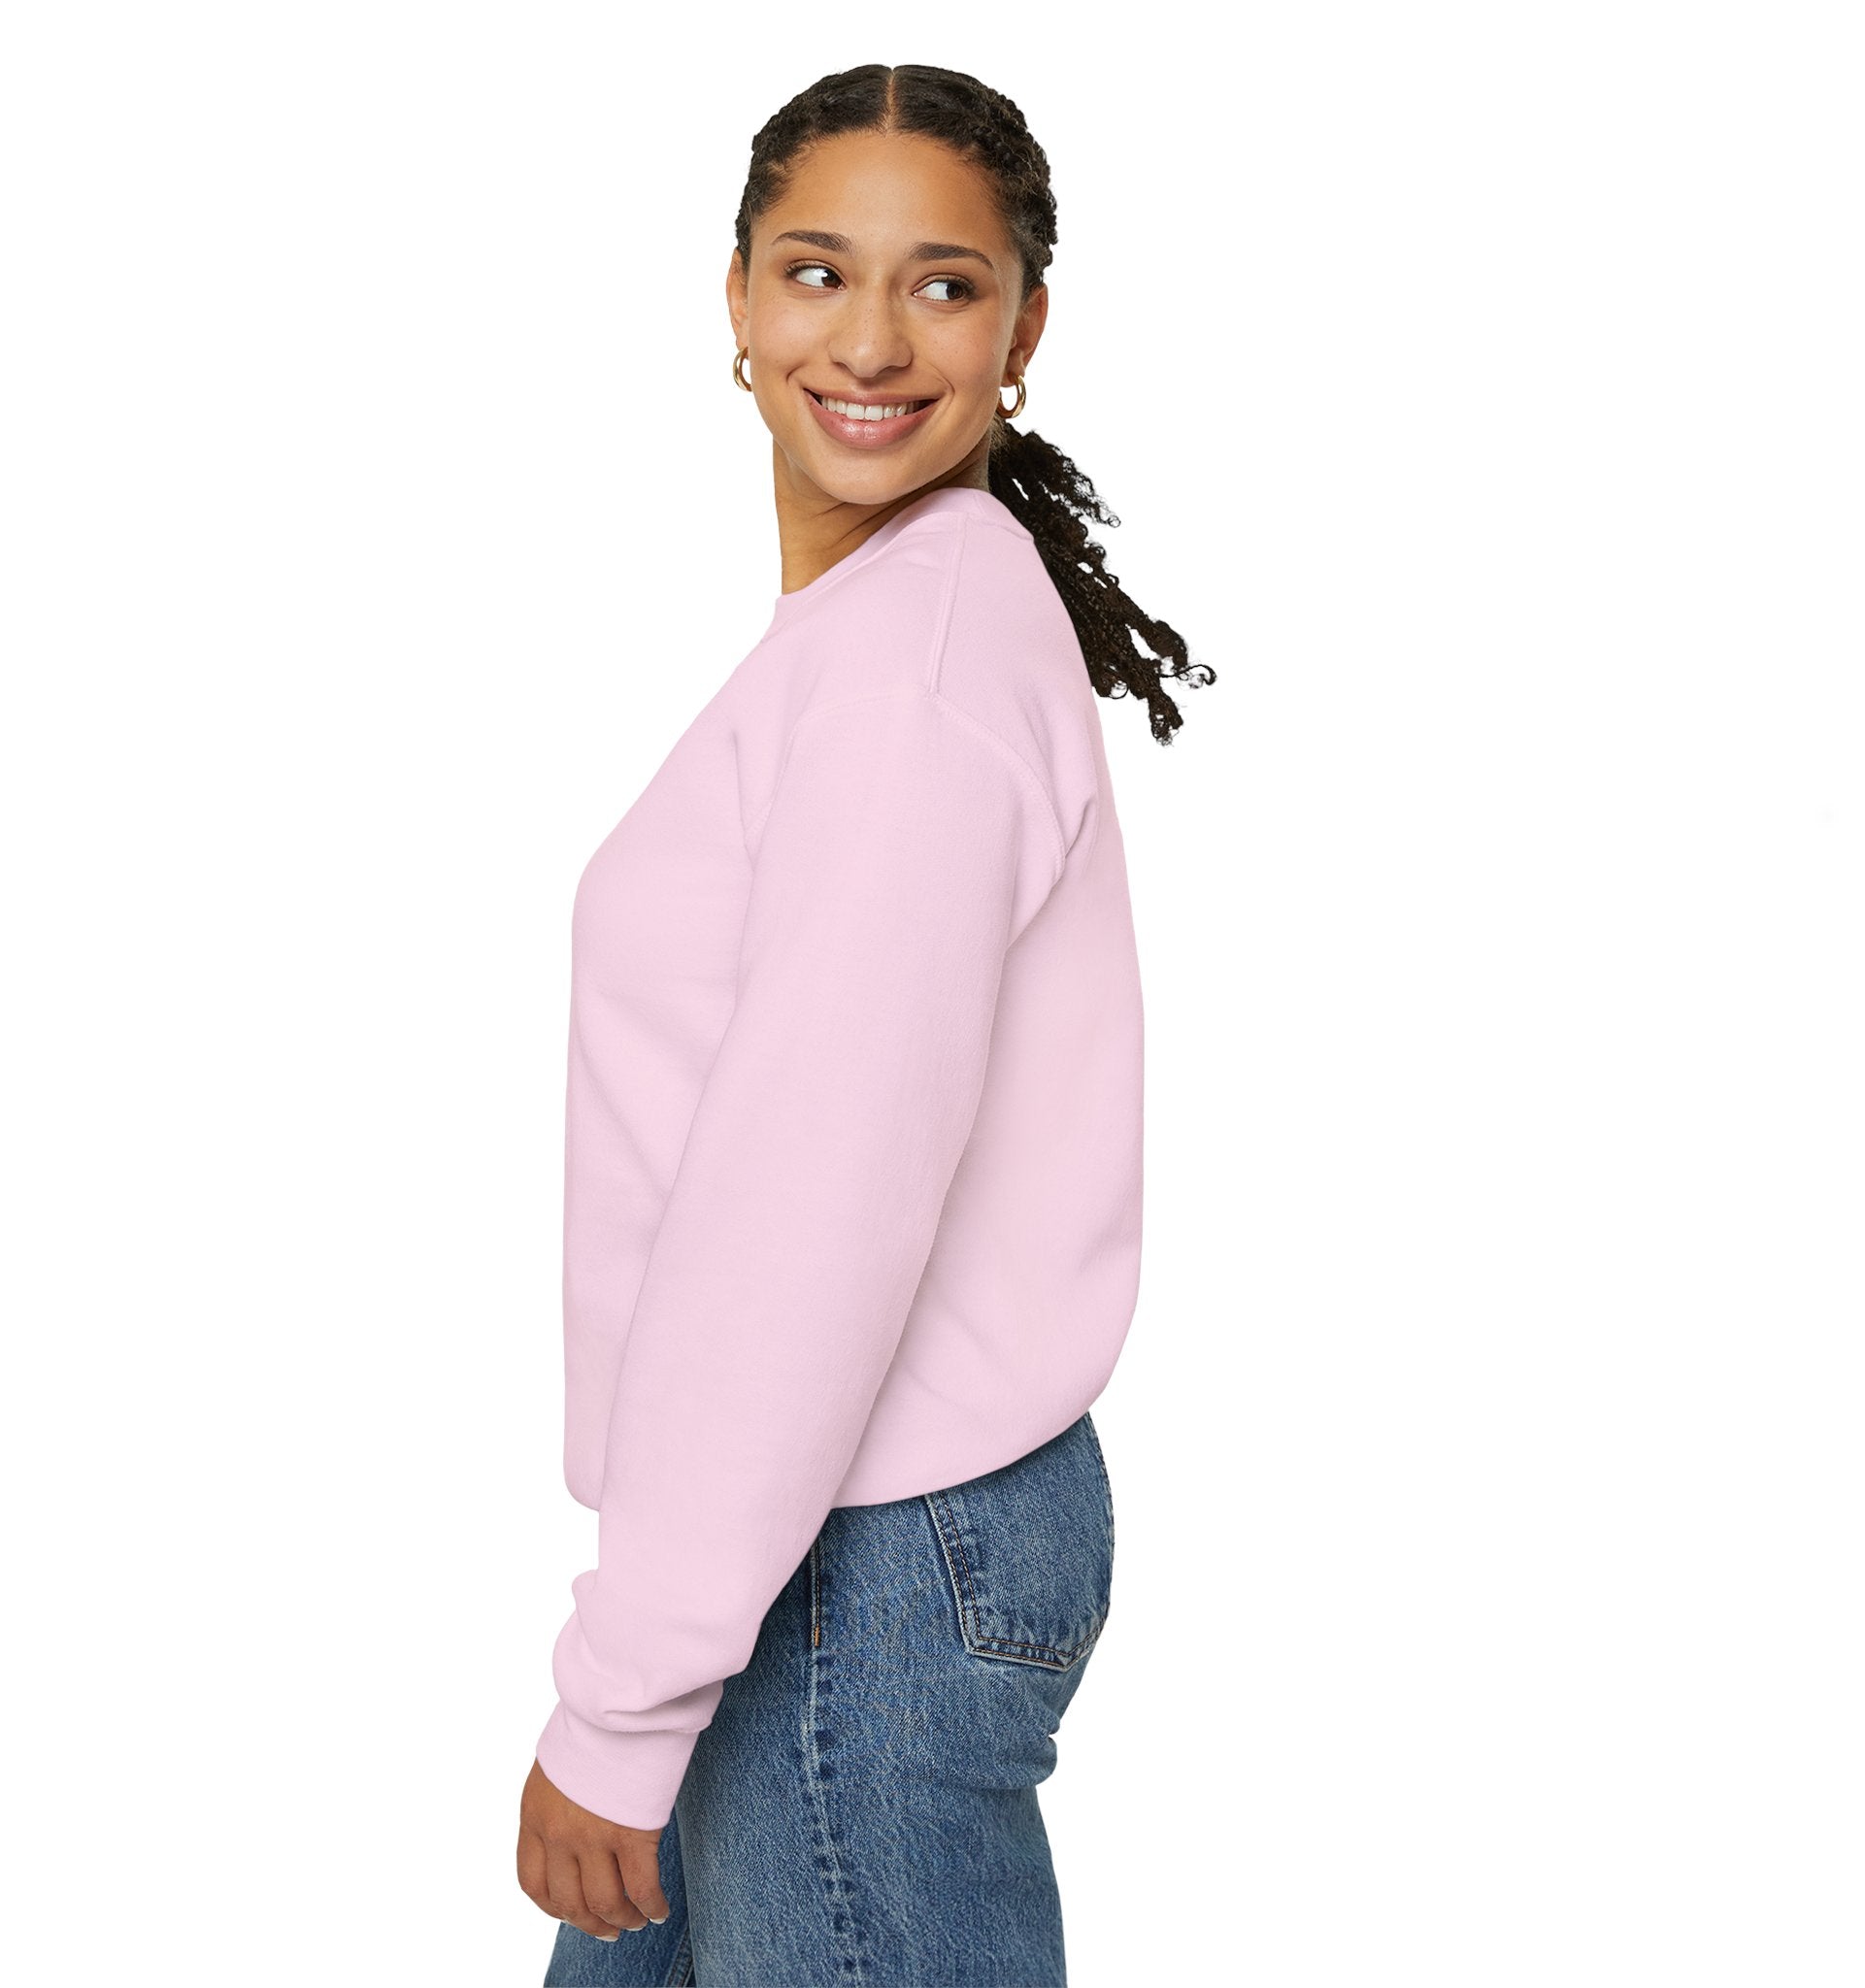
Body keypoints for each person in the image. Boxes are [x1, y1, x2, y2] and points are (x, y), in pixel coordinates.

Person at [516, 62, 1209, 1988]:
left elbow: (805, 1210)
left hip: (858, 1565)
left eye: (945, 284)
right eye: (820, 271)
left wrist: (625, 1695)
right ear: (736, 298)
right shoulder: (891, 627)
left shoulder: (913, 669)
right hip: (799, 1547)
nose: (873, 341)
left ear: (1024, 330)